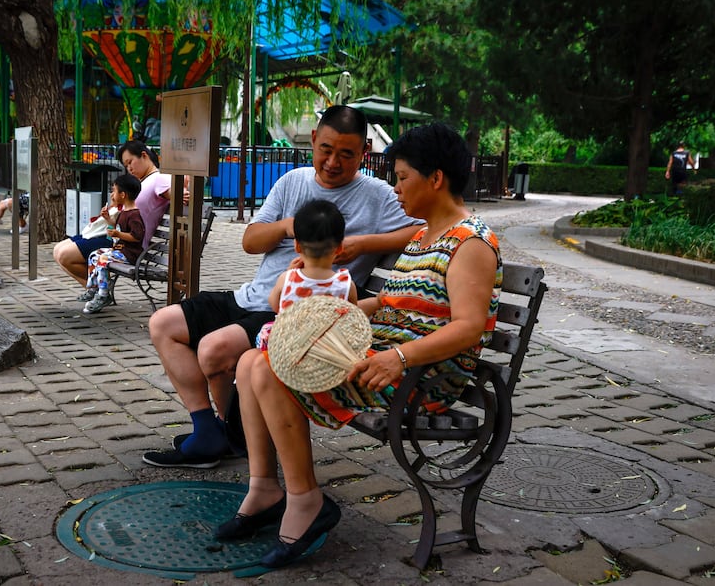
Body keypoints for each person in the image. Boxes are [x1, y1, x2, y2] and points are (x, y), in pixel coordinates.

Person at [218, 122, 502, 568]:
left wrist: (399, 357)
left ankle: (305, 500)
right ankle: (265, 488)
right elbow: (386, 304)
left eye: (402, 177)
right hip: (381, 358)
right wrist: (322, 312)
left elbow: (468, 328)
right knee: (252, 359)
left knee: (268, 367)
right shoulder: (423, 237)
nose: (396, 188)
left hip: (419, 378)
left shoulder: (470, 243)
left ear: (436, 179)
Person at [142, 105, 420, 469]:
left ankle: (237, 438)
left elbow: (422, 231)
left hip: (295, 313)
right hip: (253, 297)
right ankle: (210, 431)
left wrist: (362, 244)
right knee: (163, 324)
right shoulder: (292, 182)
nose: (333, 162)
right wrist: (289, 226)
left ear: (364, 152)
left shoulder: (378, 195)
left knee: (213, 351)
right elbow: (250, 241)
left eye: (346, 154)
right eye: (326, 150)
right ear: (314, 140)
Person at [52, 140, 172, 299]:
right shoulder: (141, 181)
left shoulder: (158, 178)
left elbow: (177, 191)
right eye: (126, 165)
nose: (129, 168)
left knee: (64, 255)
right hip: (111, 233)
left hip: (125, 242)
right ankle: (97, 290)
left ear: (144, 155)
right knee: (57, 250)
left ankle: (99, 290)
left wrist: (183, 192)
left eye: (130, 162)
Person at [254, 199, 356, 352]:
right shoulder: (346, 284)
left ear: (297, 246)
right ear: (340, 248)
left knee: (254, 348)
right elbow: (352, 316)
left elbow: (275, 305)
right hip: (327, 349)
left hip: (289, 347)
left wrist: (289, 273)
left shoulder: (287, 279)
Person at [78, 174, 146, 314]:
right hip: (120, 251)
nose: (112, 194)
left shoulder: (134, 215)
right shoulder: (124, 212)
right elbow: (119, 227)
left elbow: (136, 237)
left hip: (129, 254)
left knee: (102, 259)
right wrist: (108, 219)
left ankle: (103, 295)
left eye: (114, 191)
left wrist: (118, 234)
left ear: (123, 195)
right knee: (94, 255)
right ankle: (94, 288)